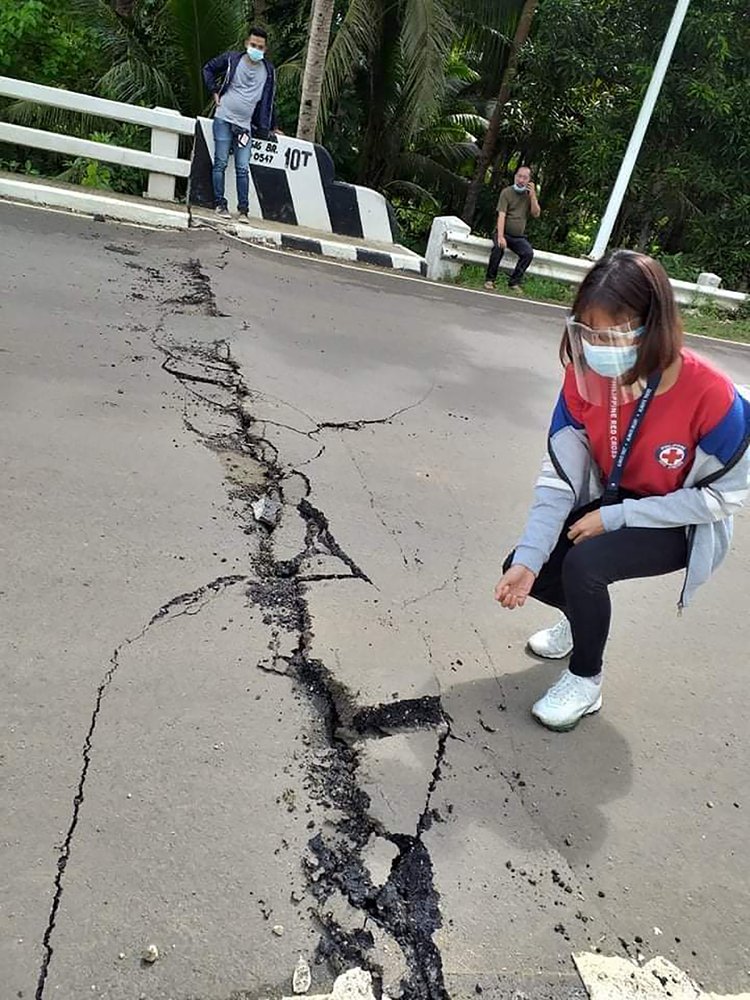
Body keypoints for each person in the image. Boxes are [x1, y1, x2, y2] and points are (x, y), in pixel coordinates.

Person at [494, 250, 750, 731]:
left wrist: (614, 519)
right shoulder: (585, 378)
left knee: (586, 565)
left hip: (681, 518)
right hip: (616, 496)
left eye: (612, 333)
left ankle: (585, 681)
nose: (597, 346)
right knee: (531, 567)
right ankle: (580, 619)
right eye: (587, 331)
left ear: (654, 326)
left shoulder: (711, 395)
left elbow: (722, 499)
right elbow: (559, 477)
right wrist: (529, 556)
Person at [202, 27, 278, 219]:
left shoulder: (268, 71)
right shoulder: (232, 59)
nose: (256, 49)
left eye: (260, 47)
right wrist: (214, 90)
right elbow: (208, 68)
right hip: (223, 119)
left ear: (265, 49)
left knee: (243, 168)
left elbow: (269, 101)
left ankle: (243, 210)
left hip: (245, 127)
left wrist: (272, 126)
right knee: (220, 163)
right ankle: (220, 205)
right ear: (246, 44)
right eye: (253, 45)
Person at [484, 166, 541, 293]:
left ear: (529, 180)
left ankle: (514, 282)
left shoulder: (529, 195)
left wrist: (533, 197)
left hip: (518, 236)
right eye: (519, 176)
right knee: (498, 248)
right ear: (515, 177)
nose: (521, 180)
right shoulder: (506, 192)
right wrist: (500, 236)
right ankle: (490, 280)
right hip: (503, 232)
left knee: (528, 253)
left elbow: (536, 214)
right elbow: (501, 215)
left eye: (524, 178)